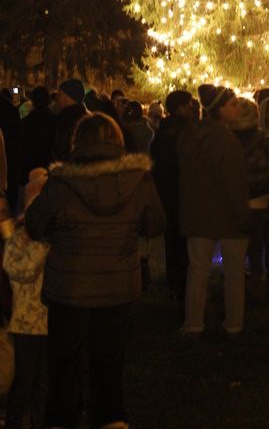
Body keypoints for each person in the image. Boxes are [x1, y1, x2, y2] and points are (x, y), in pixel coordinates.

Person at [24, 112, 164, 429]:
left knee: (64, 364)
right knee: (110, 361)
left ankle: (62, 418)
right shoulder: (138, 179)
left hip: (69, 288)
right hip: (117, 286)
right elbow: (155, 225)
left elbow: (35, 226)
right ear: (118, 141)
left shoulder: (61, 181)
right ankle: (111, 418)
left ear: (78, 142)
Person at [178, 85, 250, 336]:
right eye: (232, 104)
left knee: (197, 270)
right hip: (228, 216)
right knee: (233, 273)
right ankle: (234, 322)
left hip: (198, 213)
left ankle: (193, 322)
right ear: (219, 109)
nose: (238, 108)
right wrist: (242, 215)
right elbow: (234, 184)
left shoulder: (189, 135)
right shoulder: (227, 141)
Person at [2, 168, 50, 429]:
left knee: (44, 381)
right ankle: (14, 420)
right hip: (27, 323)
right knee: (25, 380)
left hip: (48, 320)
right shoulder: (22, 238)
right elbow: (19, 270)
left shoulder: (48, 237)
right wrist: (41, 246)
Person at [226, 97, 269, 301]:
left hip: (232, 202)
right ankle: (257, 287)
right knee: (256, 248)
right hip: (259, 201)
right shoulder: (264, 141)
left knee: (234, 249)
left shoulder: (227, 140)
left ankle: (233, 289)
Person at [150, 89, 194, 303]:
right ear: (179, 107)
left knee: (174, 239)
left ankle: (175, 280)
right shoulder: (184, 130)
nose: (192, 108)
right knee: (184, 239)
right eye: (188, 104)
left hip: (169, 193)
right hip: (182, 191)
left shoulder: (162, 132)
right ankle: (184, 280)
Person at [51, 79, 87, 162]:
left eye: (59, 94)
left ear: (67, 96)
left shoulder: (64, 120)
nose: (57, 98)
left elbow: (58, 148)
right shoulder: (88, 117)